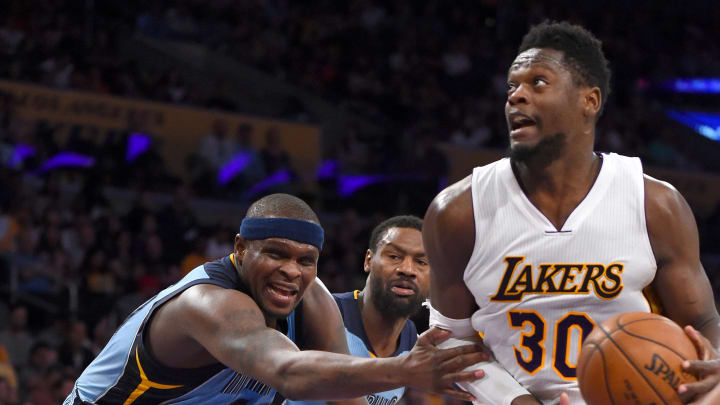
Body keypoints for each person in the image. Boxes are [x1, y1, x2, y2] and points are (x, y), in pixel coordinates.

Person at [422, 21, 720, 405]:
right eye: (512, 86)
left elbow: (703, 324)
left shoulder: (654, 204)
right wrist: (517, 402)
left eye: (538, 83)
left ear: (589, 101)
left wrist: (712, 367)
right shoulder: (458, 211)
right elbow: (449, 342)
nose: (516, 97)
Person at [64, 193, 487, 405]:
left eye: (306, 260)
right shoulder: (209, 304)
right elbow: (287, 370)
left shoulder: (311, 297)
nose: (292, 271)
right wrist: (404, 370)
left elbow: (347, 402)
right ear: (241, 249)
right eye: (276, 253)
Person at [289, 215, 431, 405]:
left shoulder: (411, 337)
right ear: (368, 261)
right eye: (394, 257)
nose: (407, 269)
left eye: (421, 262)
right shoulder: (323, 310)